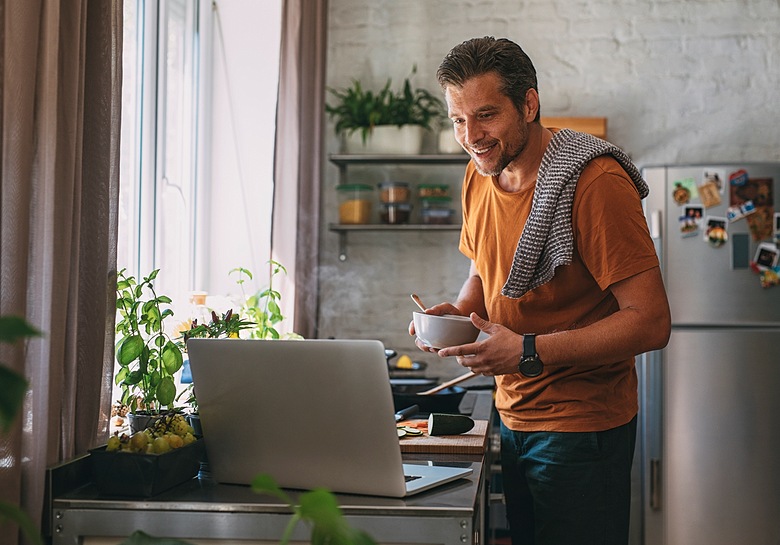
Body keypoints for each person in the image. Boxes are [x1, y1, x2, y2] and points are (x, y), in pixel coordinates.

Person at [410, 37, 671, 545]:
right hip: (511, 414)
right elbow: (485, 274)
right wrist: (457, 315)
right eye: (458, 119)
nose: (471, 136)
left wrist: (526, 349)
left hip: (583, 425)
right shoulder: (477, 175)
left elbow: (651, 321)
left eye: (485, 115)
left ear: (528, 104)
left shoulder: (594, 181)